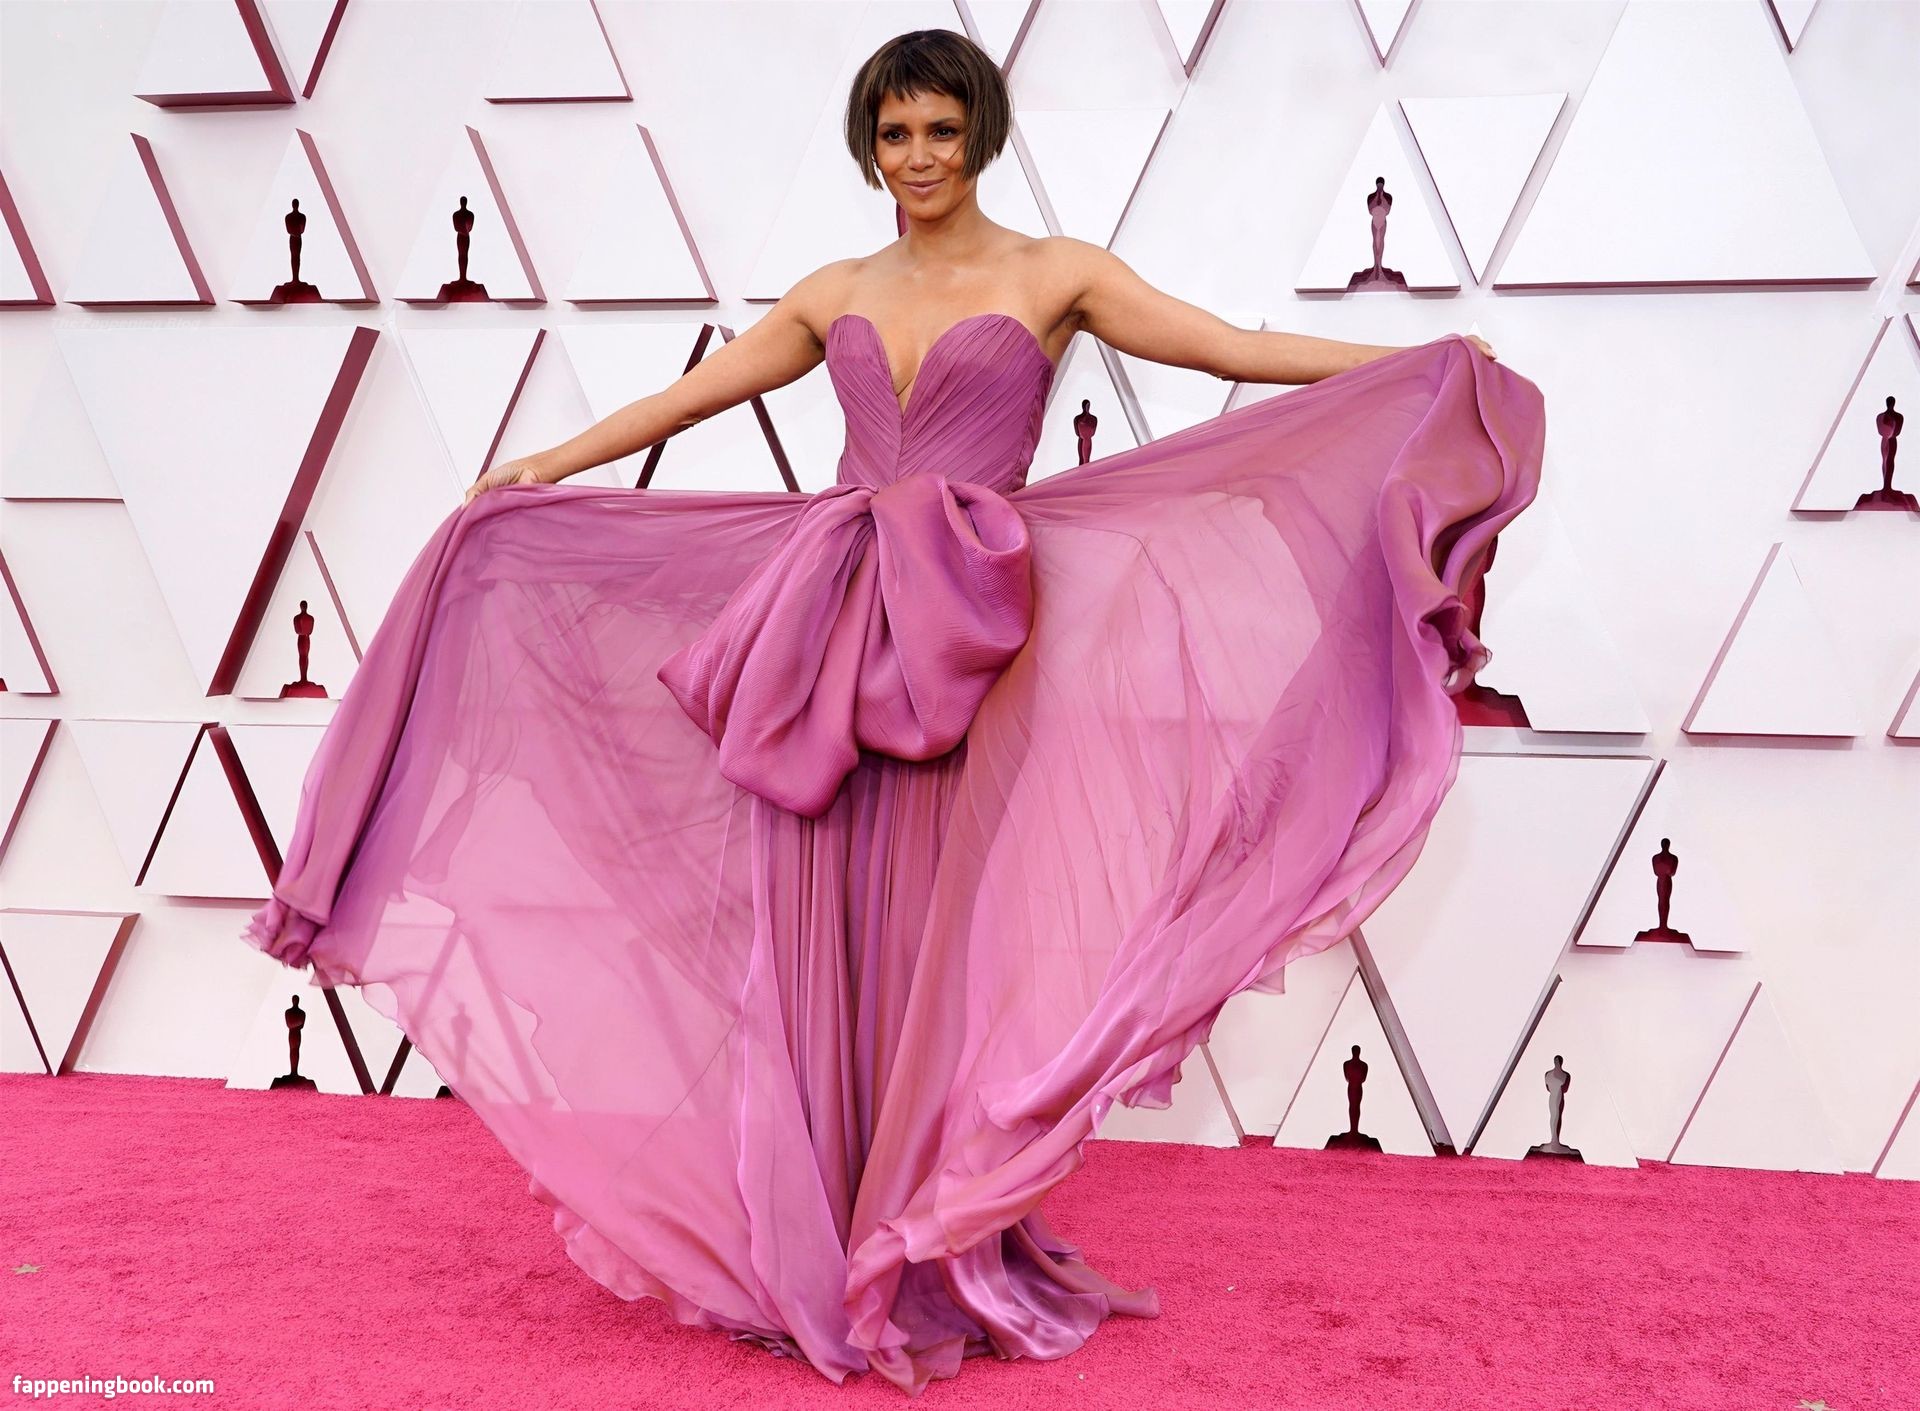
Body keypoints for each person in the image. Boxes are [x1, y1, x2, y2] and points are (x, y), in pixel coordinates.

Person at [241, 27, 1543, 1400]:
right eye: (895, 134)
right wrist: (546, 467)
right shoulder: (836, 290)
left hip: (962, 638)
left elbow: (1236, 347)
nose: (919, 157)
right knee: (816, 931)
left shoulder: (1058, 274)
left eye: (941, 131)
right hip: (826, 630)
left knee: (929, 946)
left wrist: (1414, 356)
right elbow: (690, 397)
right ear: (870, 146)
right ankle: (818, 1246)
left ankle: (921, 1246)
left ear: (981, 137)